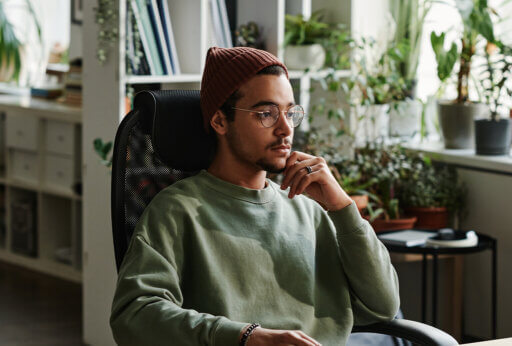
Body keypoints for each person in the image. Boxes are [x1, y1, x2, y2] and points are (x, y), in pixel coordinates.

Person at [110, 47, 400, 346]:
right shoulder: (176, 211)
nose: (286, 129)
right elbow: (133, 316)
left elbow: (384, 306)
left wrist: (343, 206)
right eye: (266, 114)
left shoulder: (309, 208)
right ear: (220, 121)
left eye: (290, 113)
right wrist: (244, 337)